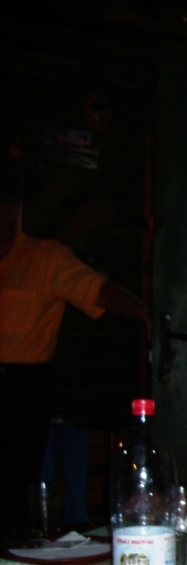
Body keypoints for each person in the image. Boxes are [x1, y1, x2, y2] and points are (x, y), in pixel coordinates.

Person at [0, 183, 149, 529]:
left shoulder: (45, 258)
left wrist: (146, 315)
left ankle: (12, 552)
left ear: (13, 213)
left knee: (13, 485)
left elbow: (98, 291)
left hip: (19, 389)